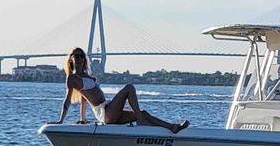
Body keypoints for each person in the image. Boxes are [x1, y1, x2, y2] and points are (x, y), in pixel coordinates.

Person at [50, 47, 189, 133]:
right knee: (129, 88)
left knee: (144, 113)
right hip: (105, 113)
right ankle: (140, 120)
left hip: (109, 109)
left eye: (81, 55)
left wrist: (83, 119)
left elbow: (84, 100)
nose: (79, 58)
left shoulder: (88, 77)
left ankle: (172, 127)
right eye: (76, 55)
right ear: (71, 59)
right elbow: (67, 101)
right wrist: (60, 121)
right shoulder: (72, 78)